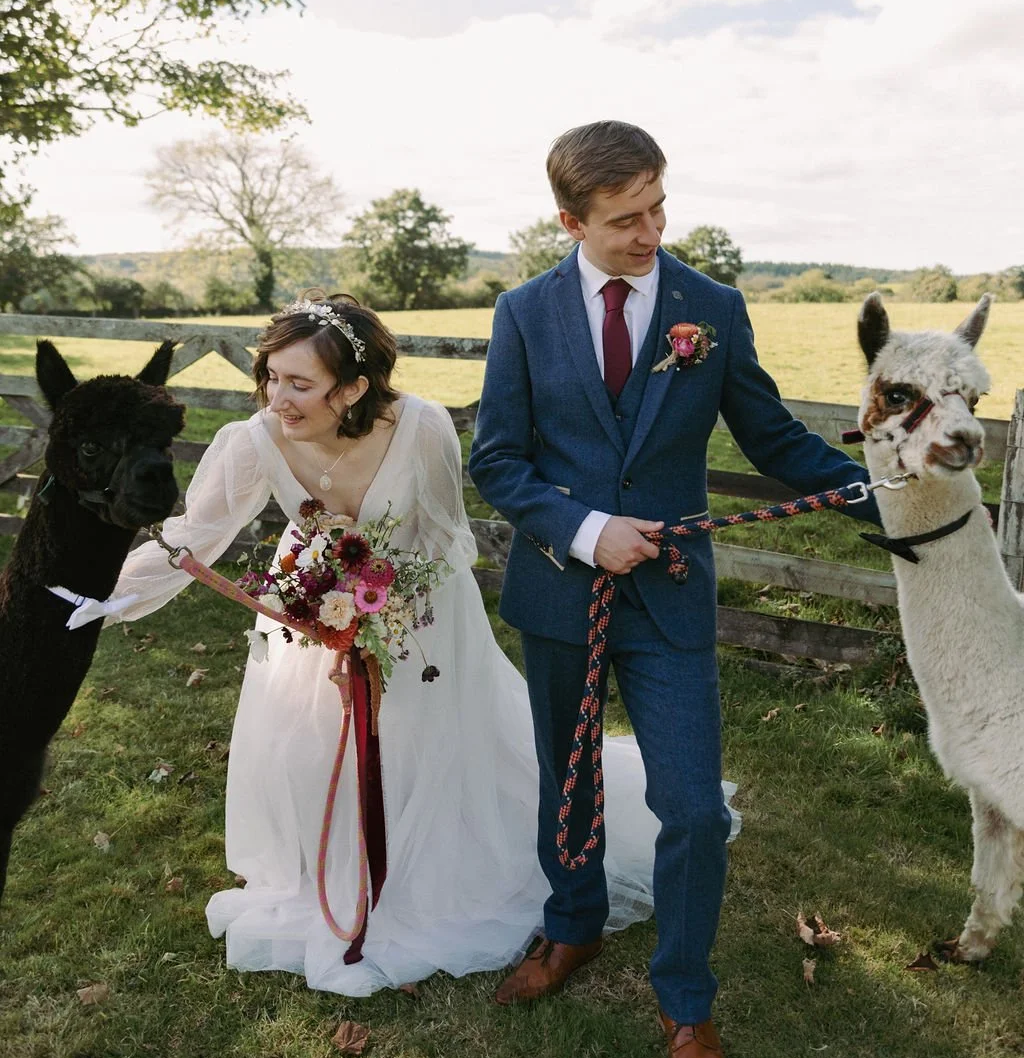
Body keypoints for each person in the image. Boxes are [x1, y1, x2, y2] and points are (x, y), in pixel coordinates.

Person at [112, 291, 729, 995]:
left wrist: (379, 621)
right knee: (317, 743)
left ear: (353, 388)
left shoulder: (423, 428)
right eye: (271, 377)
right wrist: (108, 599)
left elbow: (447, 542)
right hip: (311, 614)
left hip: (422, 615)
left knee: (424, 747)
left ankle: (431, 872)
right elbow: (195, 536)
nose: (276, 399)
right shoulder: (253, 441)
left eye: (299, 384)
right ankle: (336, 876)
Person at [469, 121, 878, 1058]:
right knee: (568, 781)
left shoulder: (711, 307)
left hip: (674, 595)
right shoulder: (522, 312)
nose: (650, 231)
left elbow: (771, 432)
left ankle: (686, 1003)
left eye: (658, 206)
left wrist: (879, 499)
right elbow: (497, 459)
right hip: (562, 588)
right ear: (570, 220)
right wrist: (586, 529)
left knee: (693, 807)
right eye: (624, 220)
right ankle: (572, 926)